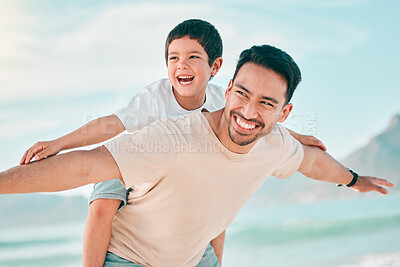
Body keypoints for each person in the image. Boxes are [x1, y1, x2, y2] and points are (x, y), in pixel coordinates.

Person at [1, 44, 386, 267]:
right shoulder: (171, 135)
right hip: (130, 260)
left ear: (284, 113)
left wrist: (355, 180)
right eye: (243, 95)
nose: (249, 112)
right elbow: (86, 164)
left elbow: (313, 161)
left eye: (266, 103)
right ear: (230, 86)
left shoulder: (277, 143)